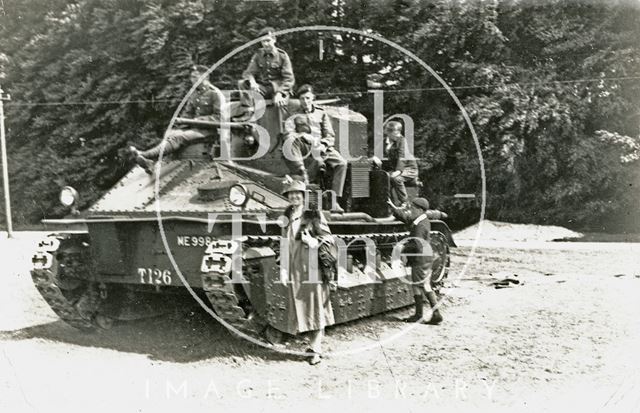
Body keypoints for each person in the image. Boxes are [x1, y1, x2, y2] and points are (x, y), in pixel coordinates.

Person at [130, 65, 225, 174]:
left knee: (179, 137)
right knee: (171, 134)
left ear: (205, 77)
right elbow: (187, 114)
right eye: (192, 77)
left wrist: (198, 120)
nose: (192, 80)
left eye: (195, 77)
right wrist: (178, 126)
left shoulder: (215, 94)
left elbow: (219, 118)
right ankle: (152, 162)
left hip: (207, 131)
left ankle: (146, 155)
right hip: (193, 129)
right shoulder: (195, 94)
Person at [281, 178, 335, 365]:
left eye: (298, 193)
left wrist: (313, 242)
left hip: (311, 268)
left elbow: (328, 239)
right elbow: (283, 242)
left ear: (304, 196)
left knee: (315, 307)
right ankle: (312, 346)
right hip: (295, 269)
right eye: (291, 193)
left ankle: (316, 351)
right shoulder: (288, 214)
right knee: (303, 308)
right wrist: (283, 268)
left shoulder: (313, 214)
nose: (294, 196)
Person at [283, 84, 347, 212]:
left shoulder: (321, 113)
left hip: (322, 147)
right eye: (302, 99)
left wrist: (324, 145)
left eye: (307, 98)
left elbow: (329, 134)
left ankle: (334, 201)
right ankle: (308, 198)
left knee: (342, 163)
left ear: (313, 98)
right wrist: (302, 135)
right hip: (305, 147)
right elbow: (288, 133)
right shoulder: (294, 114)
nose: (305, 101)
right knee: (316, 163)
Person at [387, 197, 443, 325]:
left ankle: (427, 314)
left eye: (412, 208)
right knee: (423, 284)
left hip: (420, 258)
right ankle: (433, 313)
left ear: (419, 209)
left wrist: (402, 249)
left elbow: (417, 244)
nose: (410, 210)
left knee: (420, 285)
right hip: (425, 257)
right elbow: (406, 219)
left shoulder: (420, 225)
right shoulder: (422, 220)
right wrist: (393, 208)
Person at [238, 27, 295, 117]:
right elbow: (249, 72)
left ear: (274, 40)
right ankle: (247, 112)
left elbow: (289, 79)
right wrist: (253, 82)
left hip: (278, 88)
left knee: (279, 103)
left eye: (268, 40)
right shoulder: (258, 55)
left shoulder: (282, 56)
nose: (265, 44)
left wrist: (280, 93)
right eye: (263, 41)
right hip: (263, 87)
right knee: (242, 83)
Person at [372, 121, 419, 206]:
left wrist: (398, 171)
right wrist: (375, 158)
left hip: (410, 169)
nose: (398, 135)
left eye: (399, 133)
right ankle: (390, 204)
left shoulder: (402, 141)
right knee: (384, 178)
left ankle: (405, 203)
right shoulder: (384, 143)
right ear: (388, 133)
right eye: (395, 133)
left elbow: (402, 156)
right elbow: (376, 154)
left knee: (397, 179)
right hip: (394, 170)